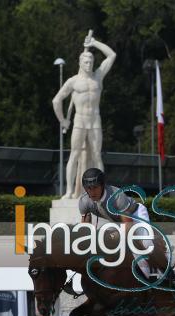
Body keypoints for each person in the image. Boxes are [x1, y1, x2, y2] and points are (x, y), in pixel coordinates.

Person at [77, 168, 175, 281]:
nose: (92, 192)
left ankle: (172, 276)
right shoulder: (84, 201)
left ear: (102, 185)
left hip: (135, 215)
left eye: (95, 187)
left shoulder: (116, 196)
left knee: (146, 243)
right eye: (88, 188)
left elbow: (128, 226)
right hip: (116, 221)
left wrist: (113, 236)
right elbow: (85, 228)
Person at [53, 32, 116, 199]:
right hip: (79, 121)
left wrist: (94, 43)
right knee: (74, 155)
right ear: (80, 62)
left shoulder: (98, 76)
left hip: (95, 120)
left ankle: (102, 192)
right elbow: (56, 100)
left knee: (97, 155)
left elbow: (111, 55)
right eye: (86, 61)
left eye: (91, 61)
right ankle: (68, 191)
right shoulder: (73, 81)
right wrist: (63, 120)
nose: (89, 64)